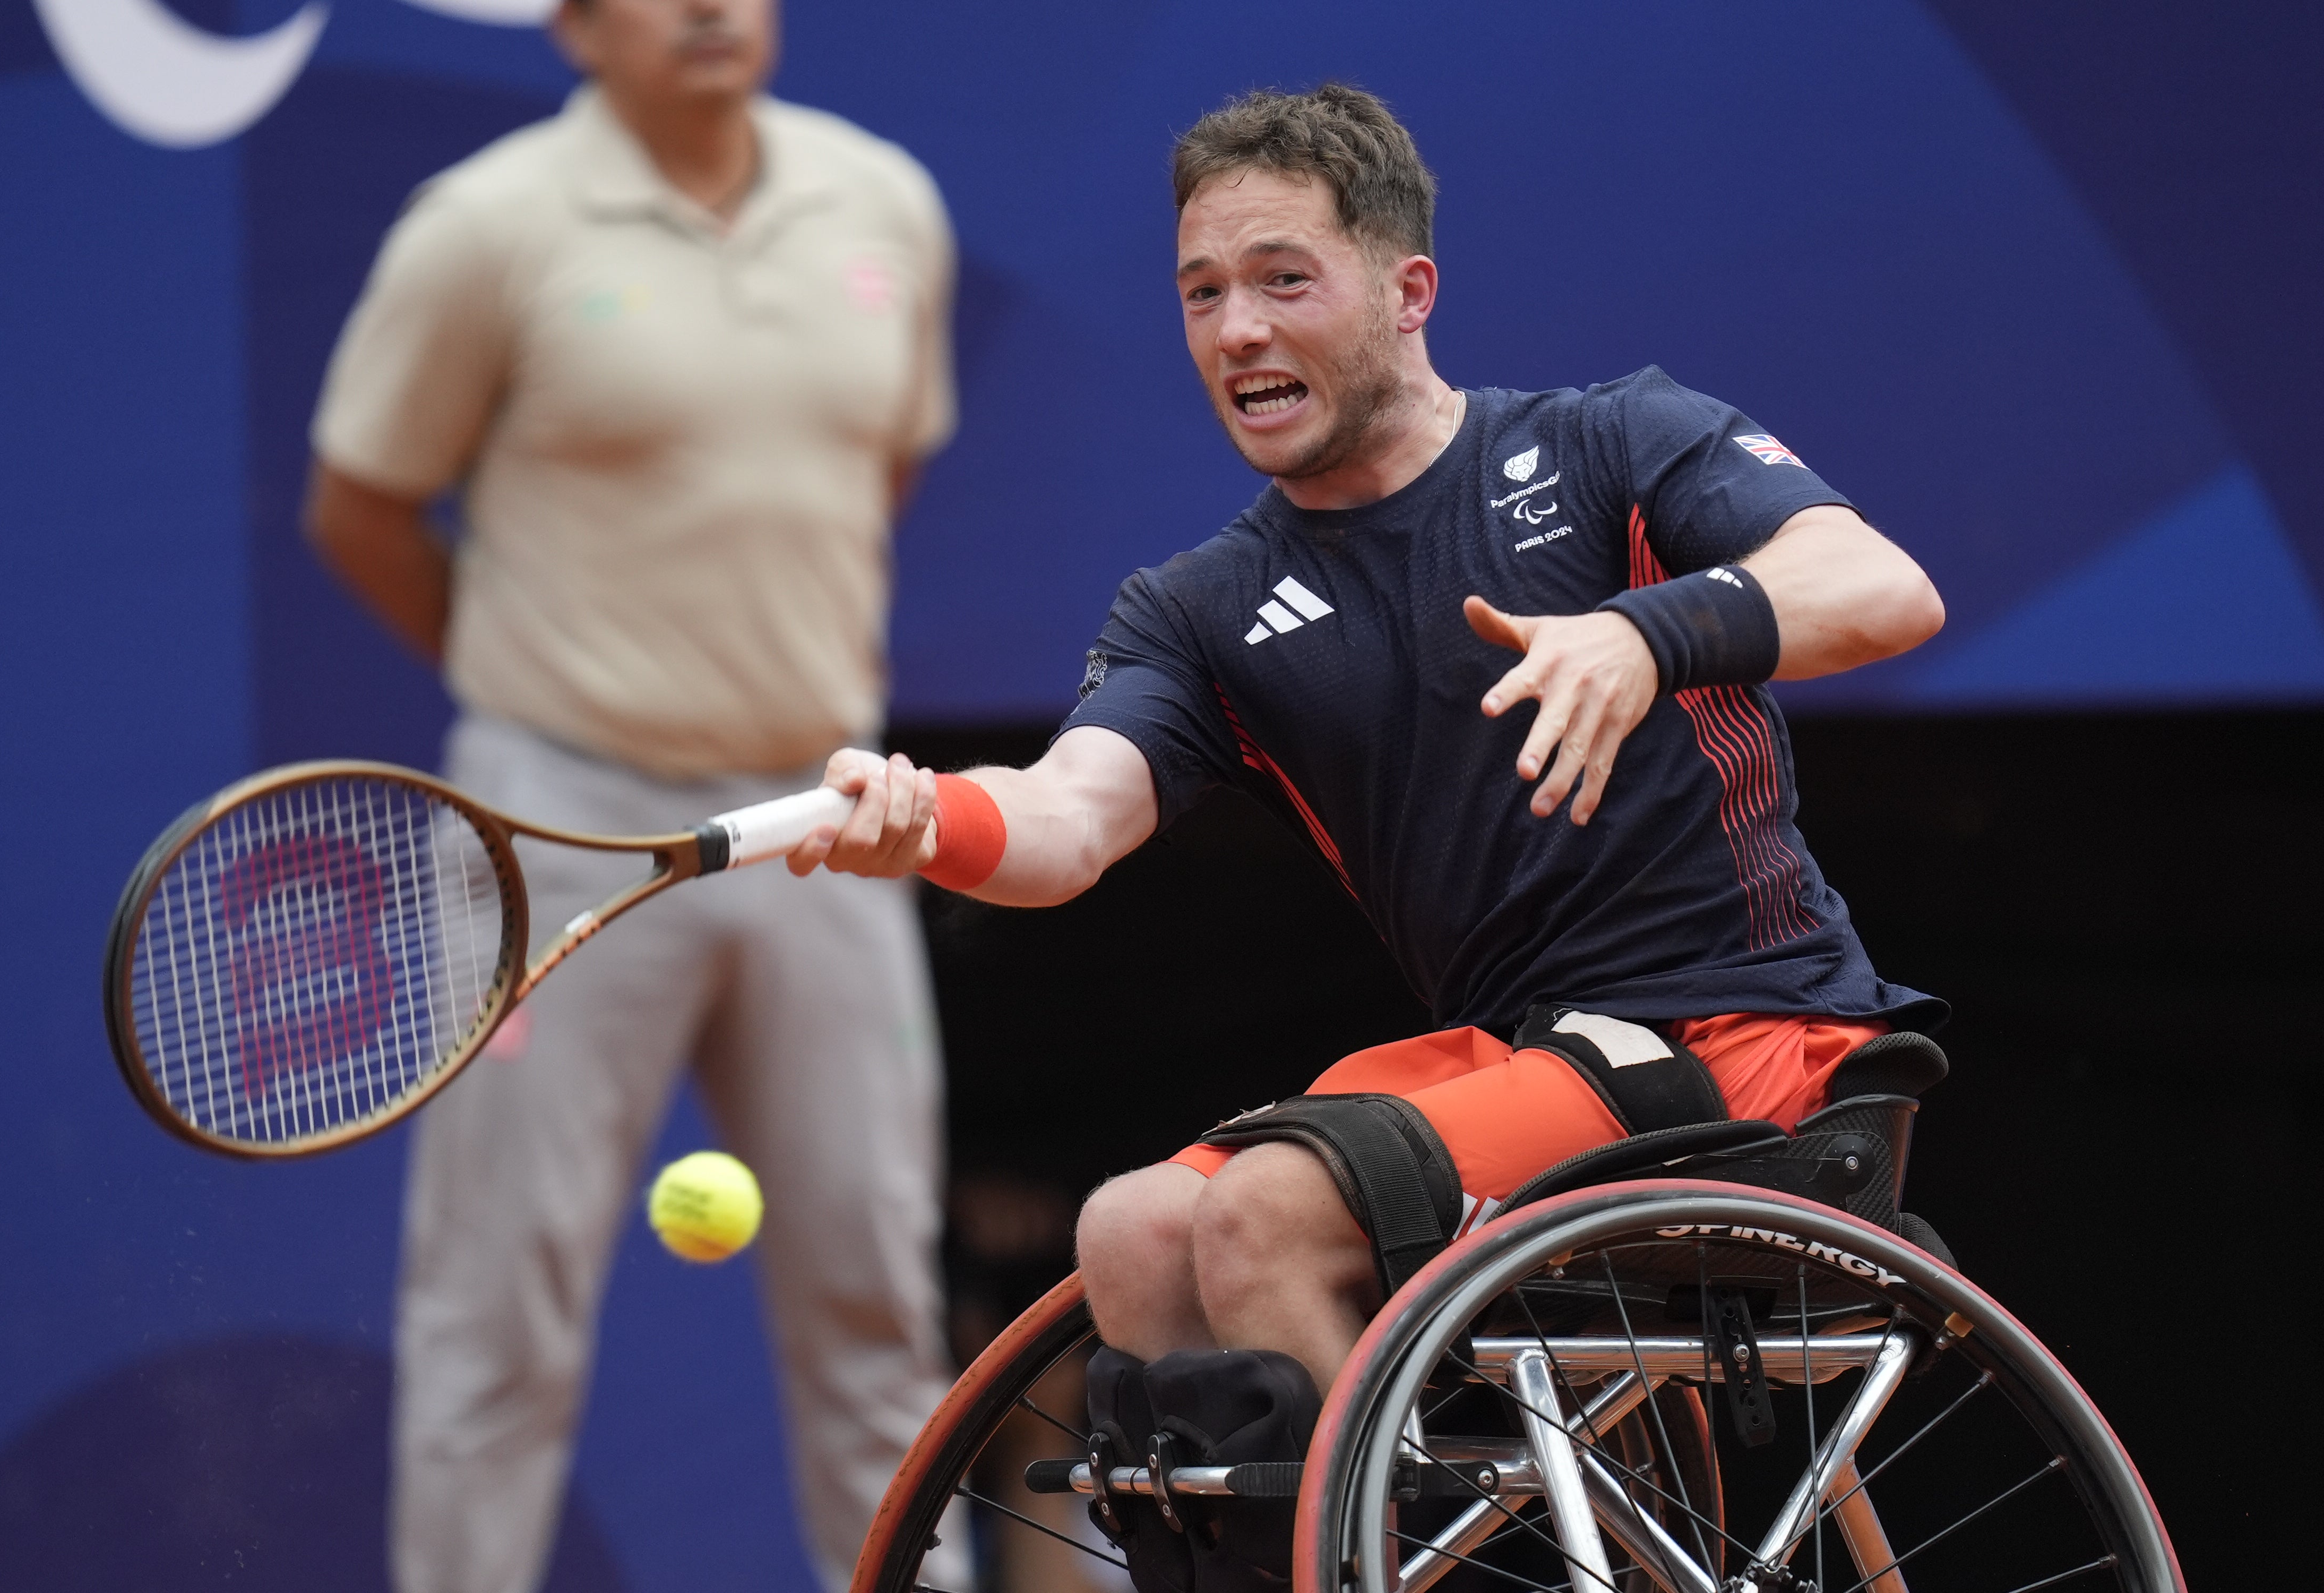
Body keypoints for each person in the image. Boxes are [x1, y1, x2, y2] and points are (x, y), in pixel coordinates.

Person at [794, 82, 1948, 1593]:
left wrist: (1644, 637)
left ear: (1409, 293)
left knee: (1273, 1210)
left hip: (1745, 1046)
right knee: (1136, 1232)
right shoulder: (1201, 607)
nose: (1236, 331)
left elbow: (1883, 588)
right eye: (1203, 293)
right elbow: (1068, 821)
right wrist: (923, 817)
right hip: (1524, 1063)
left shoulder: (1612, 445)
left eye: (1285, 279)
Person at [303, 0, 963, 1589]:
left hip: (823, 821)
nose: (711, 9)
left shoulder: (885, 203)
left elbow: (877, 466)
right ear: (578, 25)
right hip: (556, 827)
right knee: (494, 1323)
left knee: (878, 1311)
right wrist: (558, 687)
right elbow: (361, 508)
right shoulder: (485, 231)